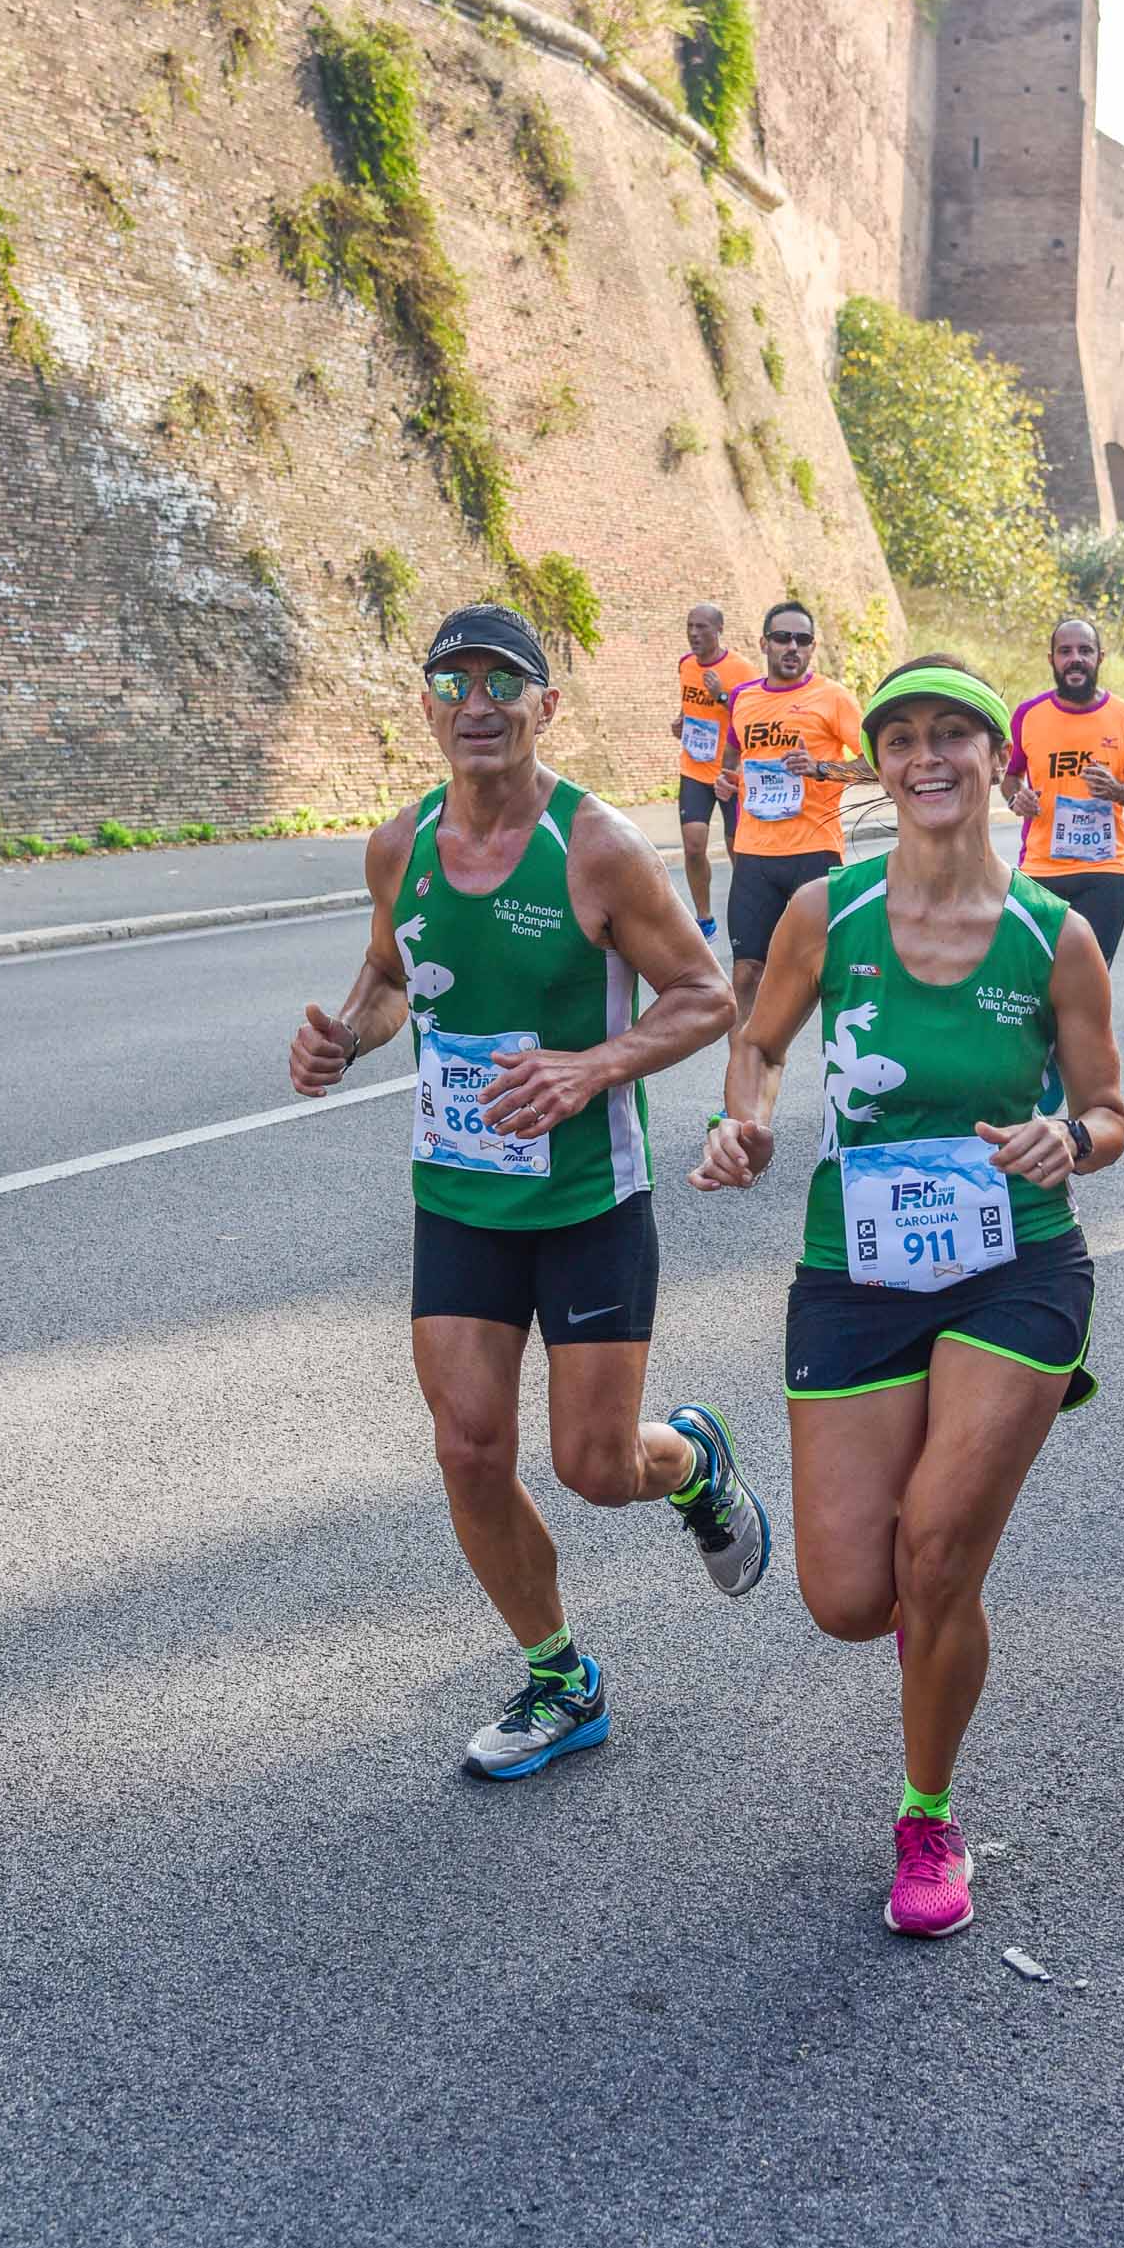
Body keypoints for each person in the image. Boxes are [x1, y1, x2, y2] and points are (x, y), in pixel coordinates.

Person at [287, 602, 768, 1785]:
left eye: (503, 683)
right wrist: (345, 1036)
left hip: (588, 1200)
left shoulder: (596, 847)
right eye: (453, 684)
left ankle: (692, 1462)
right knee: (466, 1448)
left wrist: (590, 1067)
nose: (478, 705)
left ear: (545, 707)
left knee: (597, 1468)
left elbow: (704, 996)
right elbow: (391, 977)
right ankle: (561, 1678)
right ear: (425, 708)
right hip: (459, 1197)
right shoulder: (397, 846)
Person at [690, 656, 1124, 1938]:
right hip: (858, 1264)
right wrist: (743, 1122)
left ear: (997, 760)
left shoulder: (1054, 936)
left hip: (1016, 1264)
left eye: (953, 736)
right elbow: (758, 1044)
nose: (926, 758)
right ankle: (922, 1623)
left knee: (937, 1553)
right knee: (846, 1599)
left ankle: (926, 1815)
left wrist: (1071, 1140)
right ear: (876, 764)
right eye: (902, 740)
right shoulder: (828, 911)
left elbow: (1109, 1110)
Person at [720, 600, 870, 1023]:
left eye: (802, 640)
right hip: (755, 853)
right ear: (764, 643)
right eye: (783, 638)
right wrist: (728, 780)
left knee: (824, 973)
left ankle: (828, 1057)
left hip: (814, 849)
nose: (792, 647)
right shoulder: (743, 698)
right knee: (746, 973)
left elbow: (876, 764)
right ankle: (745, 1061)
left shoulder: (832, 697)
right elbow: (737, 756)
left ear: (813, 647)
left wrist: (822, 769)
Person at [1003, 614, 1124, 968]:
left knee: (1089, 978)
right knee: (1035, 979)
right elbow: (1010, 777)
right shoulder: (1028, 715)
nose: (1075, 659)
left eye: (1085, 650)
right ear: (1052, 659)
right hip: (1040, 870)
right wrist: (1017, 798)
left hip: (1106, 870)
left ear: (1100, 657)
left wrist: (1117, 790)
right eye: (1065, 651)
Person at [670, 602, 756, 944]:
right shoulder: (685, 664)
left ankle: (751, 914)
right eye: (689, 626)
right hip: (694, 767)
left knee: (738, 852)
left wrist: (721, 695)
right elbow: (689, 707)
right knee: (693, 847)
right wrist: (680, 723)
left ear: (719, 630)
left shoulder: (741, 669)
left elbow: (754, 716)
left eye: (702, 627)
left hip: (729, 772)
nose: (694, 634)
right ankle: (704, 919)